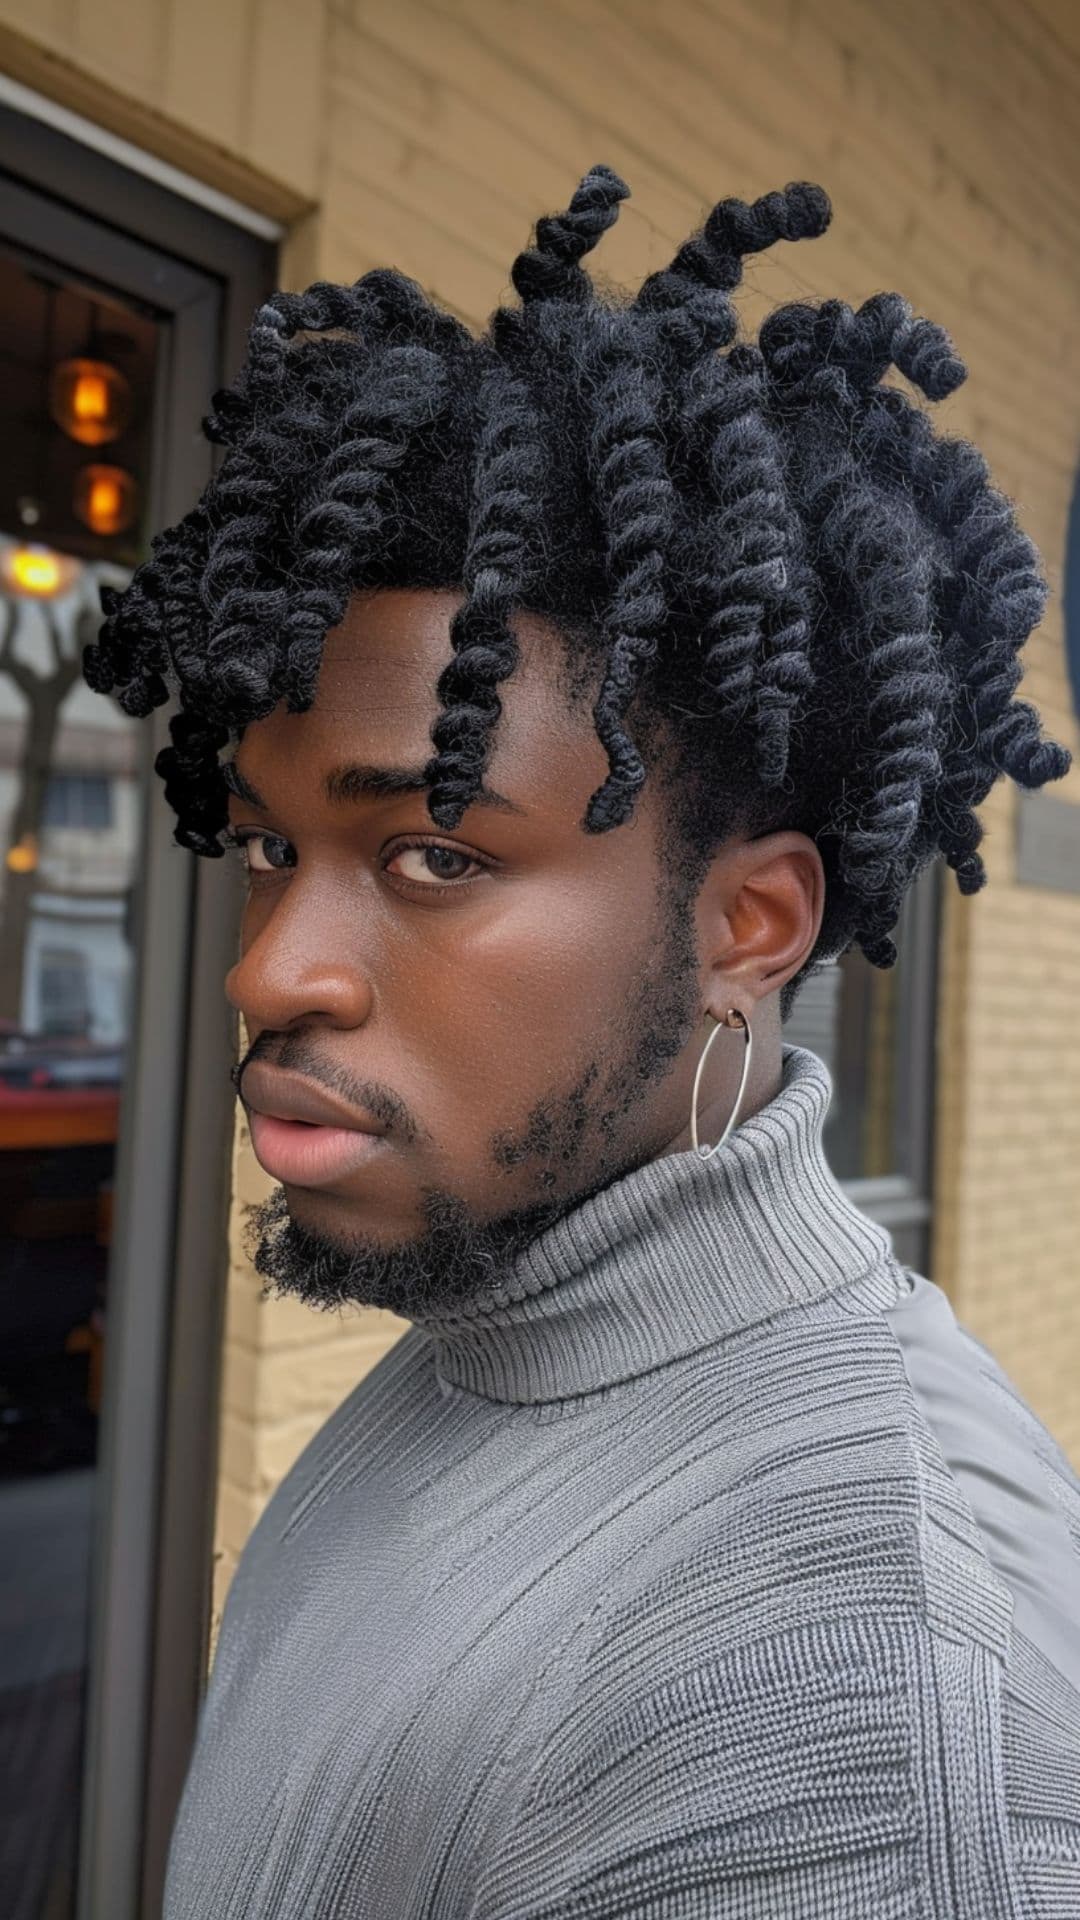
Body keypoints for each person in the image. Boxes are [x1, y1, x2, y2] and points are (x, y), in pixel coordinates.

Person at [86, 169, 1080, 1918]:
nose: (270, 976)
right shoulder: (495, 1323)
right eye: (268, 850)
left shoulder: (855, 1702)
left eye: (435, 857)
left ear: (746, 930)